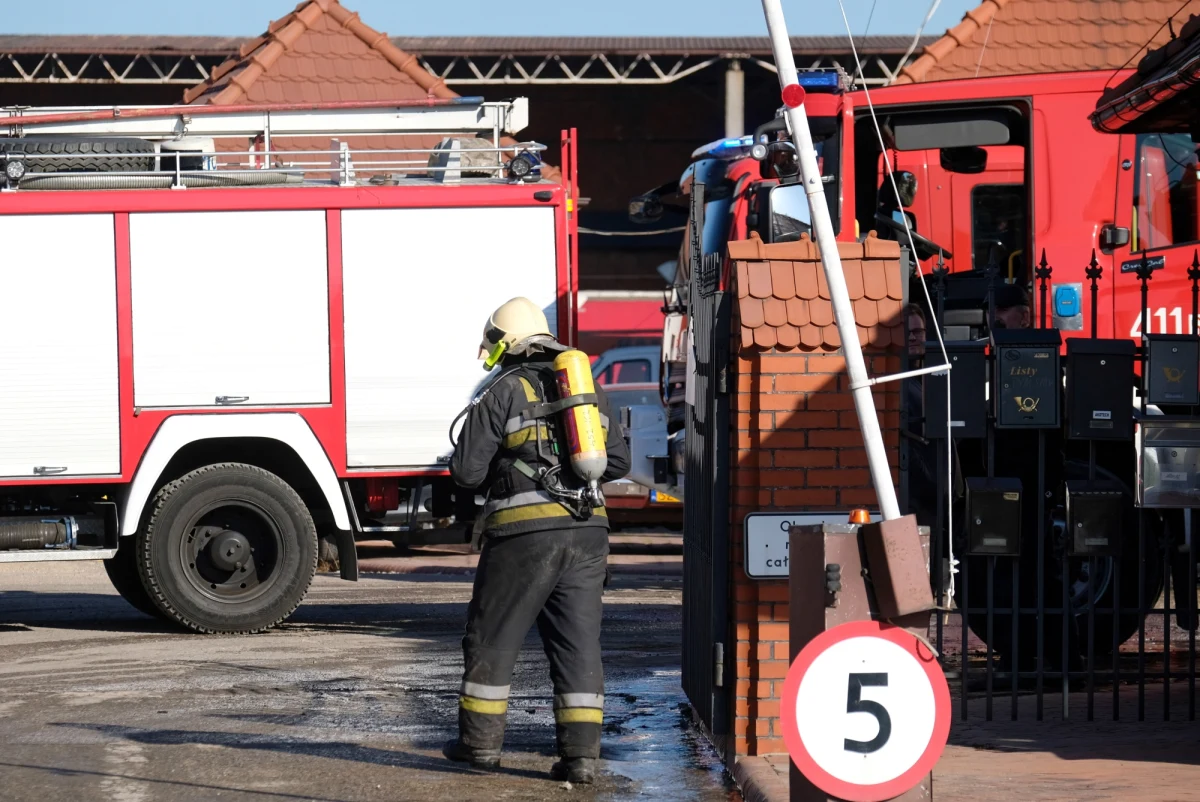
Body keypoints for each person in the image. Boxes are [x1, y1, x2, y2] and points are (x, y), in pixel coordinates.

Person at [443, 297, 632, 784]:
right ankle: (581, 760)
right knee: (577, 646)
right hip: (588, 533)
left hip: (524, 536)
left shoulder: (503, 390)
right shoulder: (589, 393)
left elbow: (466, 473)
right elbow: (618, 464)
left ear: (505, 344)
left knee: (493, 639)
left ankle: (480, 748)